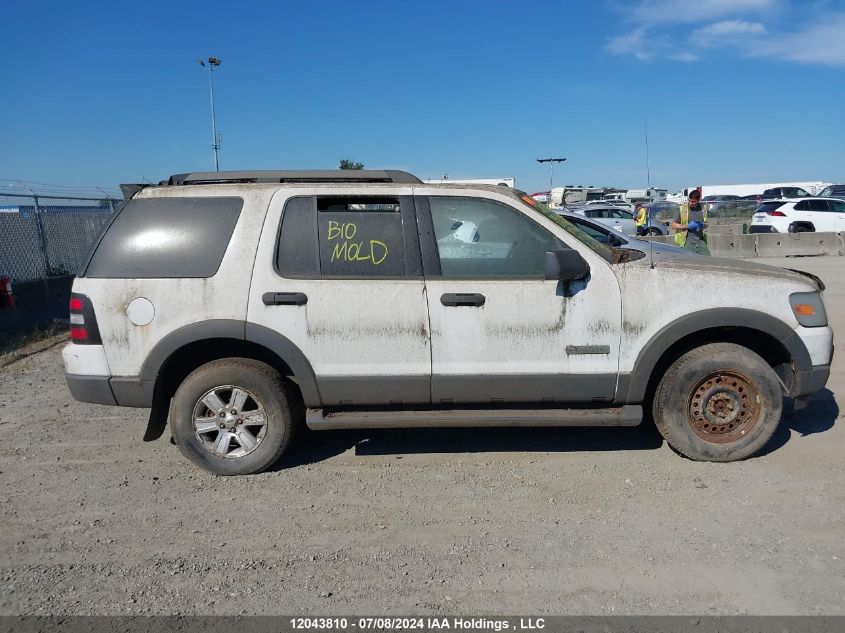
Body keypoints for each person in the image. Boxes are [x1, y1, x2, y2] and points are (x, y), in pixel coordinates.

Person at [671, 190, 710, 255]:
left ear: (698, 200)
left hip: (700, 241)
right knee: (688, 261)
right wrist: (688, 226)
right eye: (689, 200)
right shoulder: (681, 208)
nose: (691, 203)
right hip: (686, 242)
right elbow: (673, 225)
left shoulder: (703, 208)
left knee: (708, 259)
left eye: (693, 201)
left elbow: (706, 224)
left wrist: (703, 225)